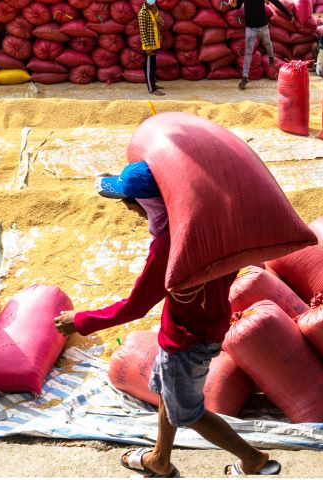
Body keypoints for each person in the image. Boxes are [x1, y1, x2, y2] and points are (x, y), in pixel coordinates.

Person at [55, 162, 282, 478]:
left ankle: (253, 459)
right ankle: (160, 459)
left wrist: (81, 321)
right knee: (168, 394)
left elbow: (136, 306)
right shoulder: (211, 227)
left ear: (148, 203)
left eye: (131, 204)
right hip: (199, 324)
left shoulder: (166, 246)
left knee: (189, 413)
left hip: (188, 340)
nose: (131, 211)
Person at [229, 0, 295, 90]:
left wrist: (288, 14)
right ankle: (245, 77)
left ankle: (271, 58)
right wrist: (231, 5)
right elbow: (238, 6)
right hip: (250, 27)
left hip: (263, 25)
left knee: (268, 43)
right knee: (248, 52)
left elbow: (276, 2)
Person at [138, 0, 166, 96]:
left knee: (153, 65)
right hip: (149, 45)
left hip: (155, 43)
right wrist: (147, 47)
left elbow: (161, 24)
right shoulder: (142, 13)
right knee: (149, 66)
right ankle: (152, 89)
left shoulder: (154, 10)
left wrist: (156, 14)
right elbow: (142, 31)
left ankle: (153, 83)